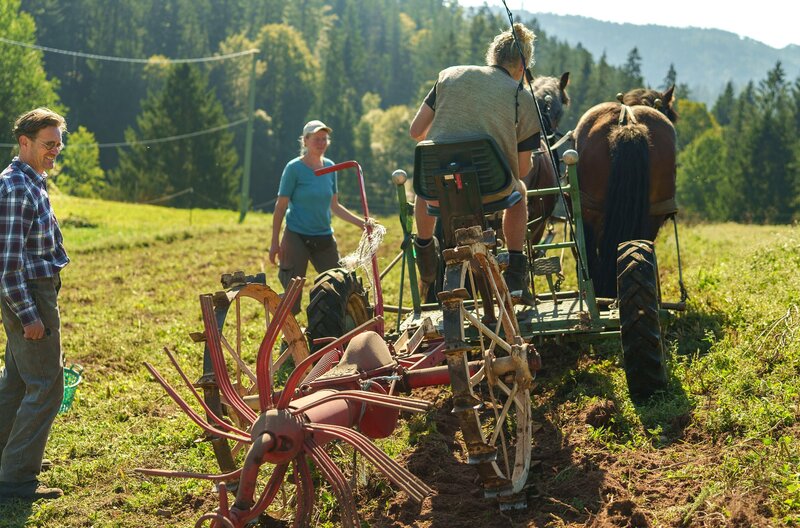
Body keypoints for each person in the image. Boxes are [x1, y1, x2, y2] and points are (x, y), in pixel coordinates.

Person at [409, 23, 541, 305]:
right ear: (521, 66)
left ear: (492, 57)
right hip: (491, 187)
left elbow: (416, 131)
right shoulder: (523, 97)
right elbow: (523, 169)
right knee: (519, 194)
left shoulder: (450, 75)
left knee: (425, 185)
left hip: (441, 187)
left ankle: (424, 251)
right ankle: (516, 269)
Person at [0, 108, 69, 501]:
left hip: (36, 289)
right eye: (48, 144)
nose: (54, 151)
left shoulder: (33, 181)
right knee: (46, 386)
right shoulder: (15, 189)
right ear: (24, 142)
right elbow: (7, 265)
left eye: (58, 144)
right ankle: (16, 479)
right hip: (28, 294)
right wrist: (30, 316)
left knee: (18, 381)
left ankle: (8, 458)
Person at [269, 120, 366, 314]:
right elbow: (280, 207)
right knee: (292, 298)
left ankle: (339, 335)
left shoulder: (330, 167)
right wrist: (274, 242)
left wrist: (362, 223)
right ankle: (288, 340)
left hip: (323, 236)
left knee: (340, 285)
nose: (321, 142)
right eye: (316, 139)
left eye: (324, 139)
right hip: (297, 235)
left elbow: (335, 206)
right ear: (305, 141)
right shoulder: (294, 168)